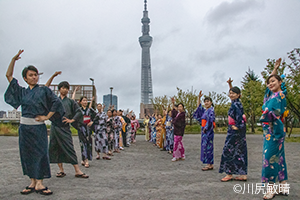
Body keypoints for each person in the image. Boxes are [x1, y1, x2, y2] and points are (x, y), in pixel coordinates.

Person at [4, 50, 65, 195]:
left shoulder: (44, 90)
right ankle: (32, 181)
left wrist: (47, 116)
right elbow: (8, 76)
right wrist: (13, 60)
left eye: (35, 74)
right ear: (25, 78)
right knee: (27, 155)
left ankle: (40, 183)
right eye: (30, 75)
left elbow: (56, 103)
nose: (34, 77)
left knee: (41, 154)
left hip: (38, 128)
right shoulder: (22, 92)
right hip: (24, 128)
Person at [45, 72, 89, 179]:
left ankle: (77, 170)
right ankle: (61, 170)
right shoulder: (54, 100)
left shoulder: (70, 102)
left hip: (65, 128)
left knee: (69, 147)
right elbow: (46, 91)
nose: (64, 90)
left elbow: (78, 112)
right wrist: (53, 76)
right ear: (59, 89)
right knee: (55, 148)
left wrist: (72, 120)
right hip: (55, 127)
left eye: (66, 88)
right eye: (62, 88)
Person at [259, 58, 289, 199]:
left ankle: (270, 188)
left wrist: (266, 114)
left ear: (280, 83)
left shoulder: (280, 96)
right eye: (269, 82)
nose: (270, 84)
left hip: (275, 131)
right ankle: (283, 186)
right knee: (280, 158)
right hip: (269, 133)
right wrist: (275, 68)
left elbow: (276, 114)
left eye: (274, 81)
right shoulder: (271, 95)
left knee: (269, 158)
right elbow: (268, 88)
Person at [219, 78, 248, 182]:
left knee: (228, 151)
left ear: (238, 94)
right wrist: (230, 85)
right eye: (230, 93)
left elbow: (241, 117)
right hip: (236, 132)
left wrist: (238, 126)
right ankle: (242, 174)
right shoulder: (236, 103)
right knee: (239, 152)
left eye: (233, 93)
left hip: (234, 132)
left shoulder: (237, 105)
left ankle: (229, 173)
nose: (231, 95)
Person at [193, 91, 215, 171]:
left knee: (209, 147)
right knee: (205, 147)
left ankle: (210, 164)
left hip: (208, 131)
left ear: (211, 102)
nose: (206, 103)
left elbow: (210, 120)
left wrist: (206, 127)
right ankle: (209, 163)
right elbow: (199, 108)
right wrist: (198, 98)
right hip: (204, 131)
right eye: (205, 101)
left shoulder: (211, 110)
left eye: (208, 101)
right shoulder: (205, 111)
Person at [78, 96, 95, 167]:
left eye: (86, 100)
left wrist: (92, 122)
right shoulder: (78, 110)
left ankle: (86, 159)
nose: (85, 102)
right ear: (80, 102)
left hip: (88, 129)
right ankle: (84, 159)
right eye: (84, 100)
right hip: (81, 129)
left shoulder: (90, 110)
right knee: (82, 144)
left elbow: (96, 116)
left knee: (88, 143)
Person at [171, 97, 186, 162]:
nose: (179, 108)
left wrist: (173, 121)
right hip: (176, 130)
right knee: (179, 143)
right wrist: (173, 103)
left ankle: (175, 156)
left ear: (183, 108)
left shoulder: (182, 114)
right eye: (179, 107)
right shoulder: (178, 113)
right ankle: (181, 155)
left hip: (179, 130)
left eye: (181, 107)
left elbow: (178, 122)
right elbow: (173, 113)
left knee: (176, 143)